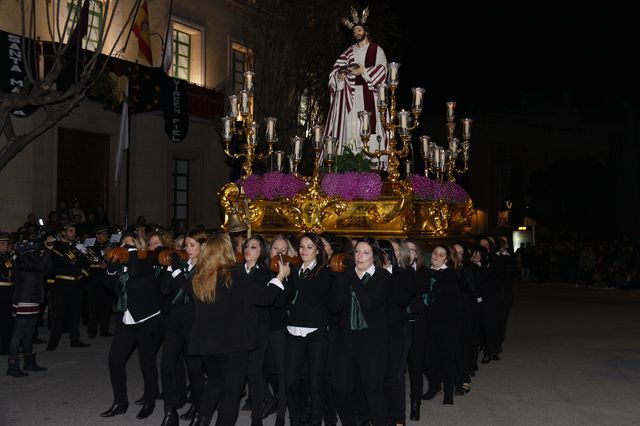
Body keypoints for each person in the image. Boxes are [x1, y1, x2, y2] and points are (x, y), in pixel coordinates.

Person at [186, 234, 288, 426]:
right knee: (232, 392)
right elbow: (263, 298)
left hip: (206, 343)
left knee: (214, 383)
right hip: (233, 344)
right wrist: (281, 276)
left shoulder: (198, 276)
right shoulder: (236, 274)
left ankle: (201, 420)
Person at [101, 233, 163, 420]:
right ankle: (120, 402)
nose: (123, 246)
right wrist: (112, 267)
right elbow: (108, 284)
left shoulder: (147, 262)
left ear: (137, 247)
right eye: (122, 243)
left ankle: (150, 400)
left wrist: (133, 252)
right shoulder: (121, 263)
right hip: (126, 318)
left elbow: (135, 274)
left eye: (128, 244)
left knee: (147, 361)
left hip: (147, 319)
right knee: (115, 361)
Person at [325, 7, 388, 166]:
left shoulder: (376, 50)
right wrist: (339, 77)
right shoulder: (348, 53)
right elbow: (335, 72)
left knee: (370, 131)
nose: (356, 33)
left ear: (365, 31)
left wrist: (364, 71)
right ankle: (350, 165)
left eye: (359, 30)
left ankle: (372, 166)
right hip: (351, 98)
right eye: (354, 31)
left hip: (370, 96)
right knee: (352, 132)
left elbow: (383, 70)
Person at [159, 230, 207, 425]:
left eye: (192, 245)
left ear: (203, 247)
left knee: (195, 370)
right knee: (166, 364)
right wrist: (171, 270)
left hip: (195, 322)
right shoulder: (182, 265)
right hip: (175, 321)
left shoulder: (207, 267)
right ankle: (170, 411)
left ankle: (199, 408)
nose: (188, 249)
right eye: (186, 245)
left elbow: (192, 291)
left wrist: (178, 271)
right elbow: (165, 290)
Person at [6, 240, 53, 377]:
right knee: (18, 334)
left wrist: (46, 252)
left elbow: (48, 270)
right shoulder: (23, 260)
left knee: (29, 333)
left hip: (33, 300)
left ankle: (29, 362)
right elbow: (41, 266)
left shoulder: (33, 258)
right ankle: (13, 367)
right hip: (24, 301)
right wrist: (48, 250)